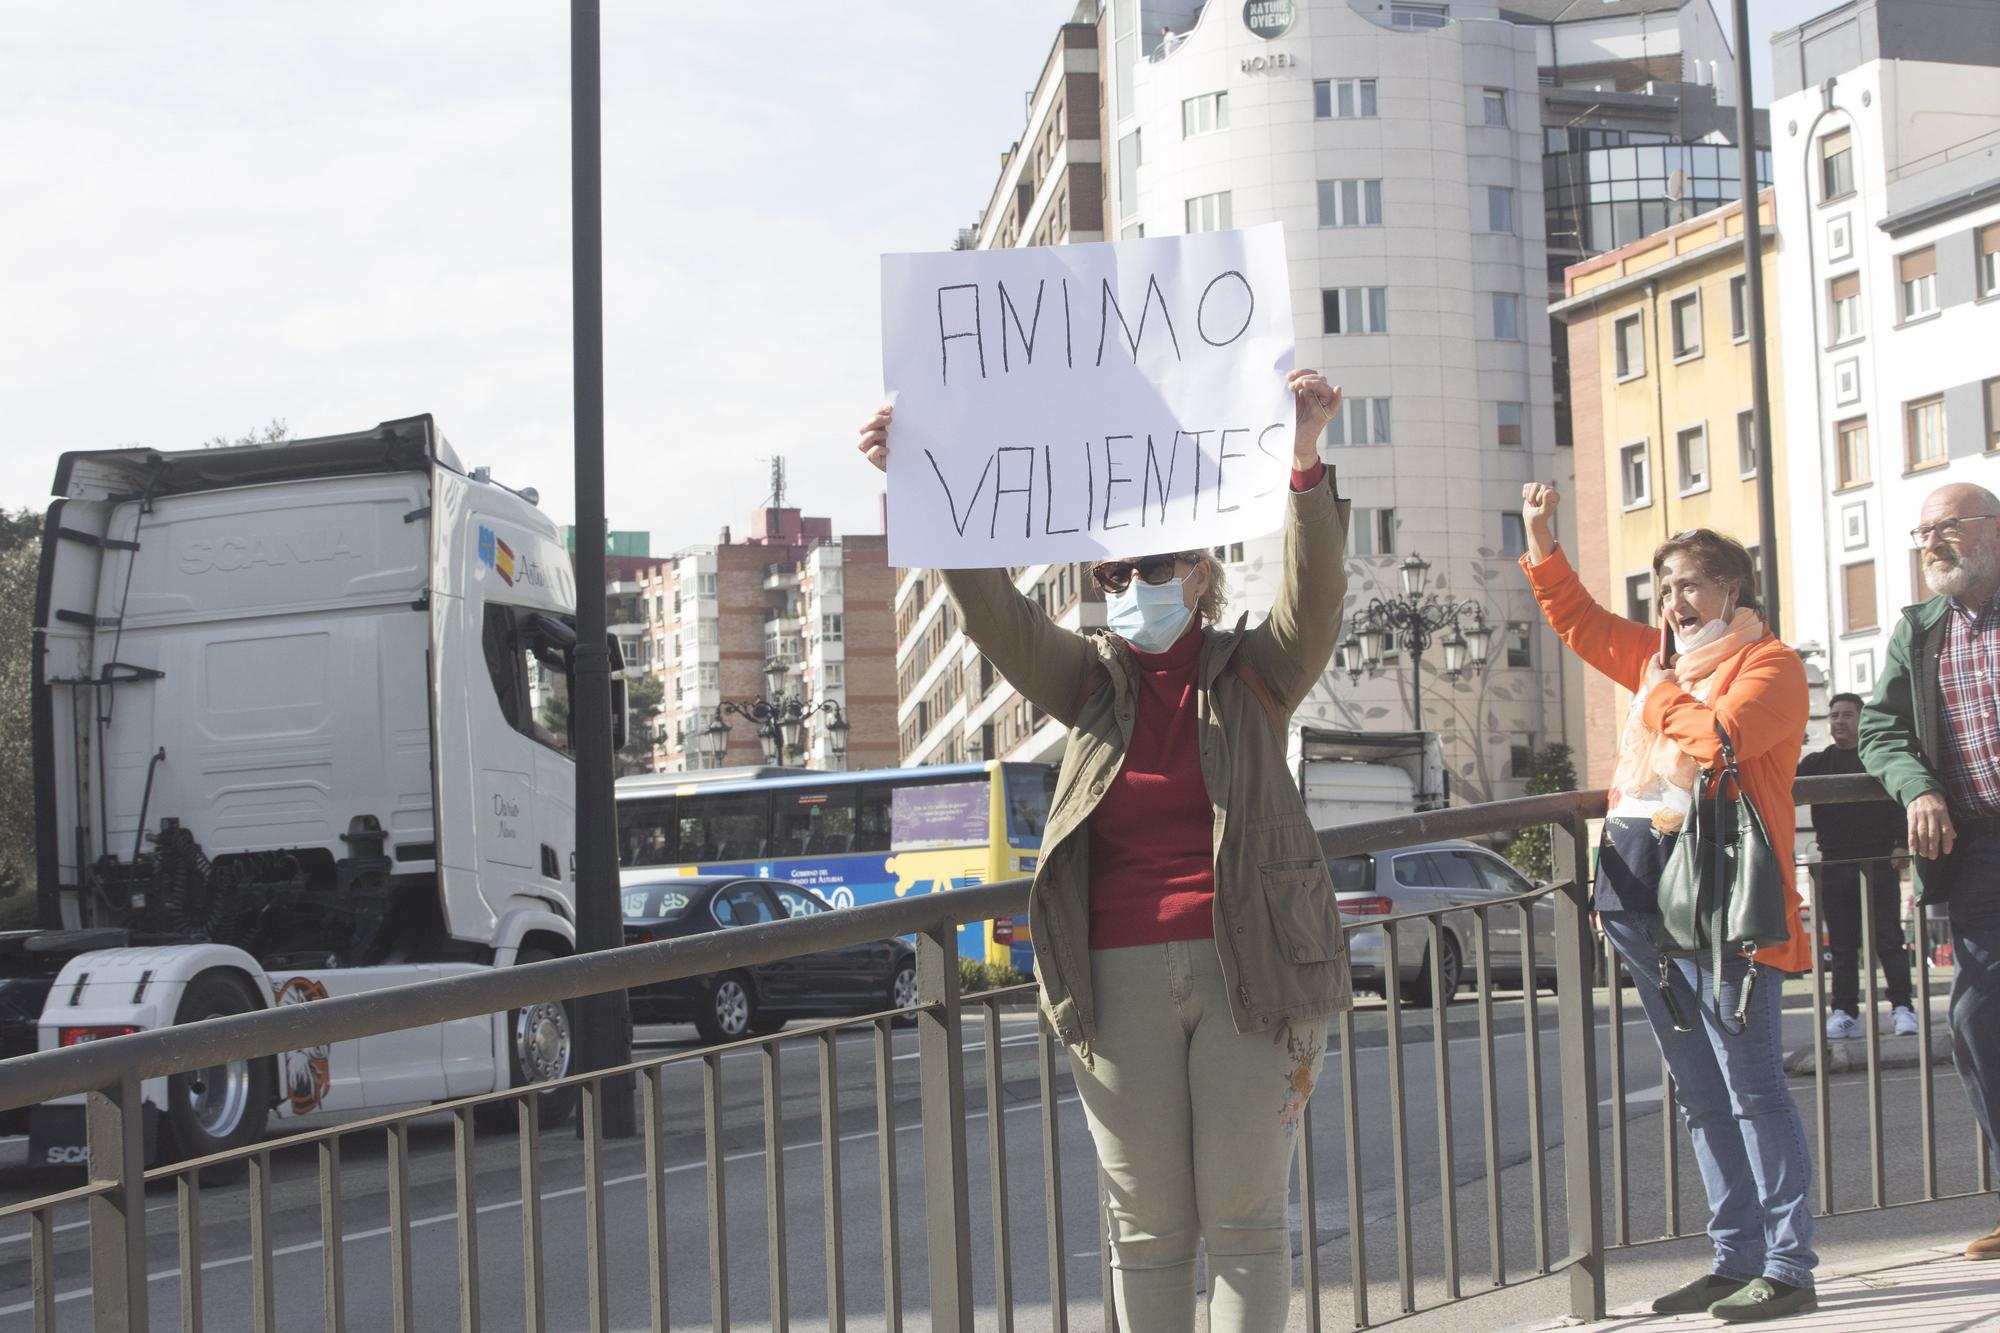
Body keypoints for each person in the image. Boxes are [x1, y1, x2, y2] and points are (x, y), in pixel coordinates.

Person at [856, 369, 1349, 1333]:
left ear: (1202, 572)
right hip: (1114, 981)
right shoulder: (1084, 683)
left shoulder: (1256, 673)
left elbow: (1316, 598)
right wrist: (919, 472)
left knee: (1246, 1223)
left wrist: (1302, 463)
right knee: (1147, 1232)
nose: (1131, 587)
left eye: (1153, 567)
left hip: (1250, 967)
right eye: (1114, 575)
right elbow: (994, 616)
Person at [1516, 484, 1817, 1322]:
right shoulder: (1662, 662)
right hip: (1644, 896)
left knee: (1754, 1084)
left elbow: (1720, 741)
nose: (1673, 603)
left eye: (1689, 585)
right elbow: (1579, 621)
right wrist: (1541, 540)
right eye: (1665, 588)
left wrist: (1655, 696)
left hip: (1729, 909)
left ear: (1733, 592)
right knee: (1700, 1091)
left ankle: (1790, 1266)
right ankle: (1735, 1256)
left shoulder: (1772, 666)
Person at [1859, 481, 2000, 1262]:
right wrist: (1919, 786)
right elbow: (1879, 726)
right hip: (1982, 848)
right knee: (1976, 1019)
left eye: (1945, 527)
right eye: (1922, 535)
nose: (1931, 544)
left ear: (1993, 529)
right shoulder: (1922, 630)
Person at [1798, 692, 1917, 1039]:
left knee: (1889, 941)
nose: (1839, 721)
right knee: (1843, 947)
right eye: (1834, 715)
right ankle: (1845, 1013)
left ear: (1862, 720)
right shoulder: (1817, 764)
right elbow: (1784, 784)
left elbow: (1897, 801)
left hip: (1878, 861)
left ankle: (1902, 1008)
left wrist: (1899, 844)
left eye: (1847, 714)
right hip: (1835, 864)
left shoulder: (1875, 760)